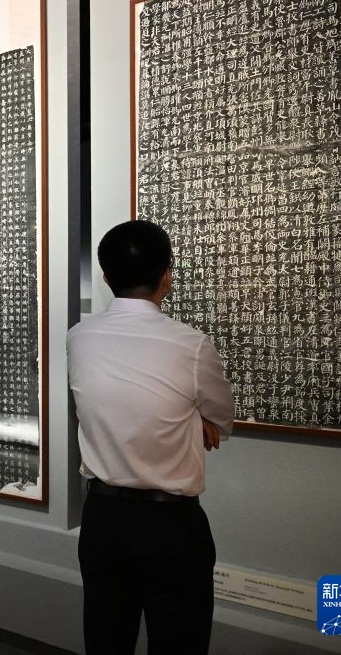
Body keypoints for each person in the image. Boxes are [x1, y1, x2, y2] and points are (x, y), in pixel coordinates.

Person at [67, 220, 234, 654]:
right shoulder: (192, 344)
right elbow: (221, 421)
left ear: (106, 278)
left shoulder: (79, 338)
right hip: (171, 526)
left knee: (106, 642)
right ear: (167, 275)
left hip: (103, 519)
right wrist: (193, 416)